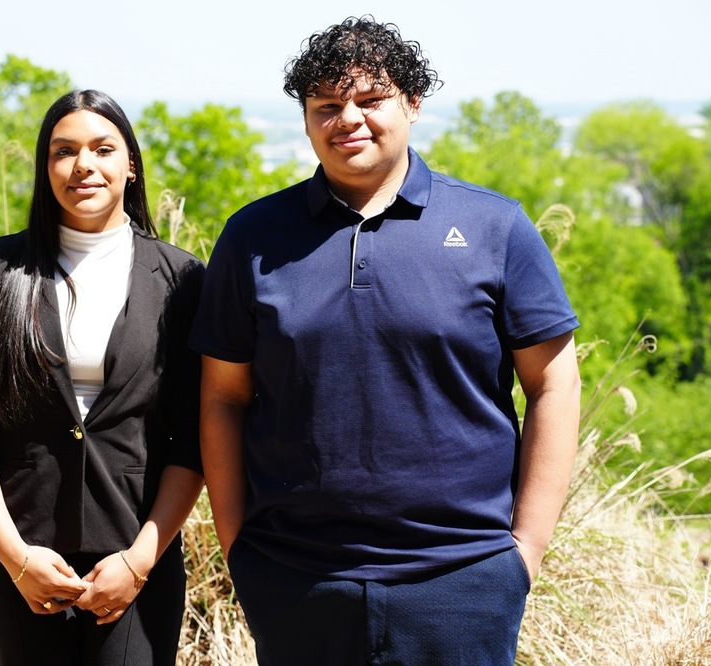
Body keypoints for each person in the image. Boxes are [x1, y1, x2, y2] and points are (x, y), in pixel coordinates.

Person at [189, 16, 581, 666]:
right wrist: (242, 552)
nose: (349, 119)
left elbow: (554, 383)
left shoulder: (494, 227)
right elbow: (222, 398)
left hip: (461, 579)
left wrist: (523, 553)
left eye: (370, 100)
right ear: (308, 118)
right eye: (327, 106)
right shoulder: (254, 237)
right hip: (295, 580)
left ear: (413, 103)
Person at [0, 89, 205, 665]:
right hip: (20, 558)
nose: (84, 165)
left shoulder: (182, 279)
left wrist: (138, 562)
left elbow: (192, 438)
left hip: (137, 557)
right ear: (45, 167)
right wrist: (15, 558)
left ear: (130, 165)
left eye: (103, 149)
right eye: (64, 151)